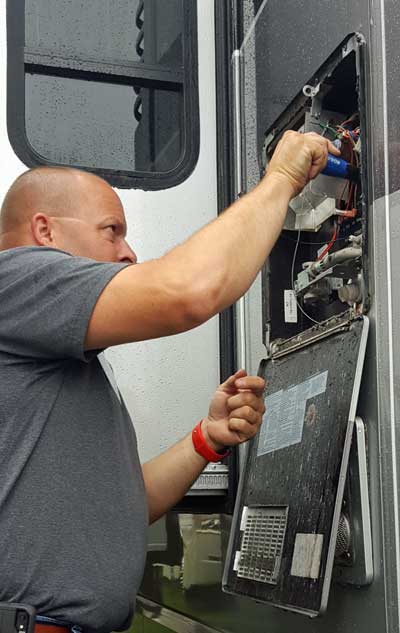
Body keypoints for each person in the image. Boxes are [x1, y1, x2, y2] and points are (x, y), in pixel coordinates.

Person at [0, 131, 339, 633]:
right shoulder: (16, 277)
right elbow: (187, 293)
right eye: (111, 230)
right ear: (46, 231)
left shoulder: (55, 351)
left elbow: (120, 510)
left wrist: (207, 438)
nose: (129, 252)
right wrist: (283, 178)